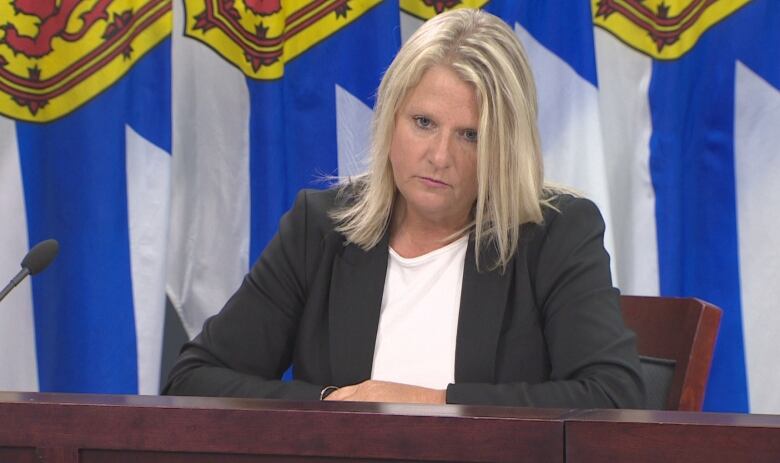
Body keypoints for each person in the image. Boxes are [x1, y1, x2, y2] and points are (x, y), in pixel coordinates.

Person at [163, 9, 645, 408]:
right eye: (423, 122)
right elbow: (194, 380)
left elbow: (613, 397)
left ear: (505, 146)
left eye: (470, 135)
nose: (439, 156)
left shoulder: (555, 234)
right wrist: (339, 404)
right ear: (390, 119)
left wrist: (430, 404)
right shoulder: (322, 227)